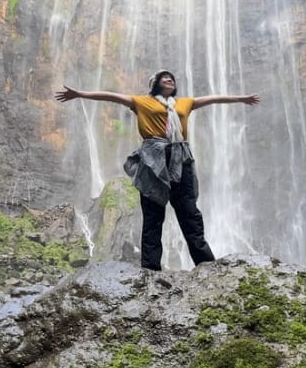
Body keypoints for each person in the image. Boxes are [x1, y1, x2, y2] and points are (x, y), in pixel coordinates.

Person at [54, 70, 260, 271]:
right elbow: (110, 96)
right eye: (164, 78)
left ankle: (206, 264)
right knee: (153, 216)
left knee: (189, 212)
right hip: (153, 157)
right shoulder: (142, 102)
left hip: (180, 156)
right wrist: (79, 94)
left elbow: (214, 99)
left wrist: (241, 98)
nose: (169, 79)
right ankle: (151, 270)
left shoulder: (184, 103)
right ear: (154, 84)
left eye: (171, 78)